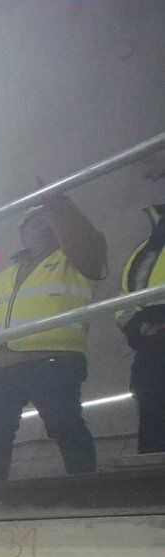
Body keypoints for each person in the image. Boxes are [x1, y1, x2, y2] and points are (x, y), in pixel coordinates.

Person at [0, 193, 107, 480]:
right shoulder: (4, 275)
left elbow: (85, 238)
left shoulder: (75, 259)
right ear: (22, 234)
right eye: (35, 223)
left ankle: (85, 487)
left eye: (50, 221)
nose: (44, 227)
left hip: (52, 357)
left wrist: (60, 204)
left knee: (64, 423)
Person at [118, 149, 165, 456]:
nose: (145, 173)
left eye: (149, 159)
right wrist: (138, 327)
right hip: (152, 337)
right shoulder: (157, 228)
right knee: (153, 410)